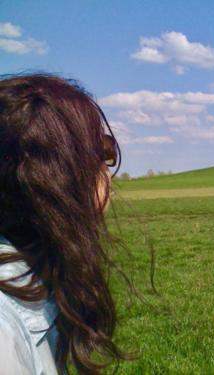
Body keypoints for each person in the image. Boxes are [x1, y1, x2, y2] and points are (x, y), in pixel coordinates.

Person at [0, 74, 127, 374]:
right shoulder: (5, 330)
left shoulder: (35, 281)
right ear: (59, 175)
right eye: (103, 152)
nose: (108, 170)